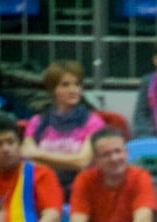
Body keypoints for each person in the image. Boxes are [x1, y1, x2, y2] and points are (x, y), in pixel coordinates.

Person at [21, 60, 105, 196]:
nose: (73, 90)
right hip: (42, 187)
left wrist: (40, 155)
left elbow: (82, 162)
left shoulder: (93, 122)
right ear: (53, 89)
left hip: (80, 189)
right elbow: (27, 156)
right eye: (65, 85)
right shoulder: (37, 122)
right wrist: (68, 161)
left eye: (77, 85)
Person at [0, 113, 64, 222]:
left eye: (11, 142)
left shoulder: (41, 174)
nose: (6, 149)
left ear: (20, 145)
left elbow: (52, 217)